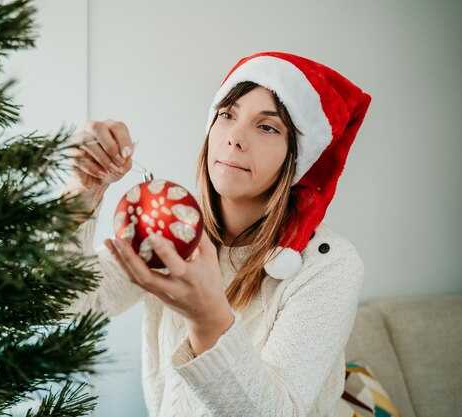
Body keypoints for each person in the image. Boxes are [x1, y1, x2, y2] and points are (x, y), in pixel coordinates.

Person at [60, 51, 371, 417]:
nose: (234, 138)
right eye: (227, 115)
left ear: (296, 156)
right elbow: (62, 309)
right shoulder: (170, 227)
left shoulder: (328, 265)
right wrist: (83, 193)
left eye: (267, 127)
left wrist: (207, 318)